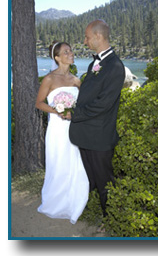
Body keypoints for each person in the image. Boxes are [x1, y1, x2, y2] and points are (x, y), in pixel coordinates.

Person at [66, 20, 125, 224]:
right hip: (86, 135)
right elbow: (89, 95)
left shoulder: (116, 67)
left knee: (104, 181)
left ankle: (111, 220)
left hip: (100, 137)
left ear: (98, 37)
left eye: (87, 37)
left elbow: (103, 105)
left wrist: (75, 114)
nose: (85, 41)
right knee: (90, 178)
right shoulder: (95, 63)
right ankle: (92, 211)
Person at [35, 42, 89, 224]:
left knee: (75, 163)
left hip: (75, 127)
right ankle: (56, 201)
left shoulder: (76, 80)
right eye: (66, 52)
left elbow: (82, 105)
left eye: (71, 50)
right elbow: (39, 103)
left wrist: (75, 113)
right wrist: (57, 110)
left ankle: (75, 200)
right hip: (57, 129)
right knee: (59, 163)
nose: (71, 53)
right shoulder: (49, 79)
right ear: (57, 58)